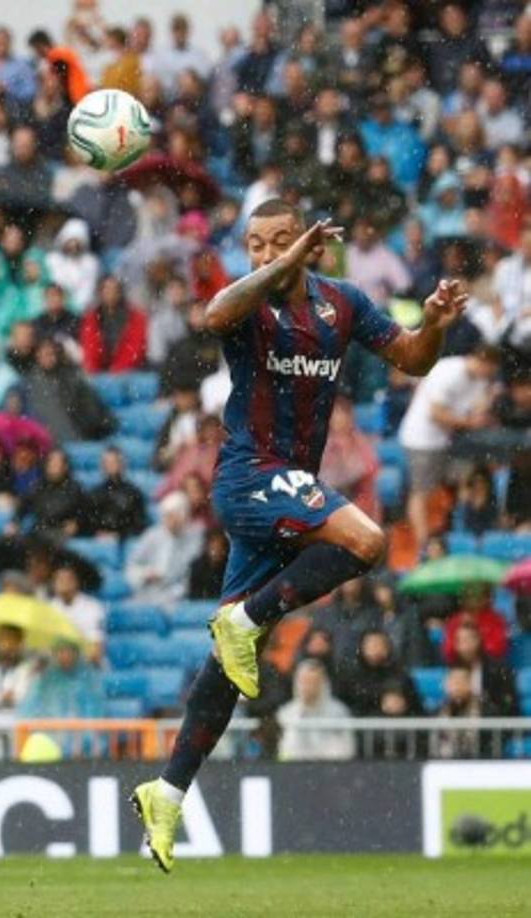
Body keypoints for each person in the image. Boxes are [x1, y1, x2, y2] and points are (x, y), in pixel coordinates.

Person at [131, 198, 469, 873]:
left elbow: (412, 359)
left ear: (311, 246)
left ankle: (165, 790)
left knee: (227, 665)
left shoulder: (339, 304)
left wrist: (430, 323)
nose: (264, 255)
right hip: (248, 475)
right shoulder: (248, 306)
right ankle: (249, 621)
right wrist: (281, 262)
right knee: (367, 543)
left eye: (278, 242)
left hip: (290, 487)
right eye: (254, 244)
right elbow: (213, 314)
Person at [398, 346, 503, 552]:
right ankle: (424, 546)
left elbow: (476, 409)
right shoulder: (448, 372)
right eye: (489, 370)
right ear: (482, 362)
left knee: (472, 478)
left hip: (449, 442)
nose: (489, 375)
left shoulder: (480, 380)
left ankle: (469, 533)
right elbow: (436, 414)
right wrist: (470, 423)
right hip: (422, 440)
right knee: (421, 492)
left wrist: (489, 399)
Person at [124, 491, 203, 608]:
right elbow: (131, 568)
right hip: (146, 594)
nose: (170, 520)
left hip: (177, 599)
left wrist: (173, 593)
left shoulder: (195, 539)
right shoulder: (151, 536)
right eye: (167, 515)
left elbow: (190, 577)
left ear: (184, 516)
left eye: (174, 515)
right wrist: (145, 574)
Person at [276, 659, 356, 762]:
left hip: (330, 770)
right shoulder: (285, 713)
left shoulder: (339, 712)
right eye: (304, 681)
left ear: (323, 683)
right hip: (294, 769)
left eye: (314, 681)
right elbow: (283, 751)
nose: (309, 687)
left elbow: (345, 750)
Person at [47, 564, 103, 665]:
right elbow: (46, 644)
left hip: (86, 665)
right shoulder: (49, 608)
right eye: (59, 579)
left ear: (76, 582)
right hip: (56, 664)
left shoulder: (92, 607)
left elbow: (95, 648)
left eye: (67, 579)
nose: (63, 583)